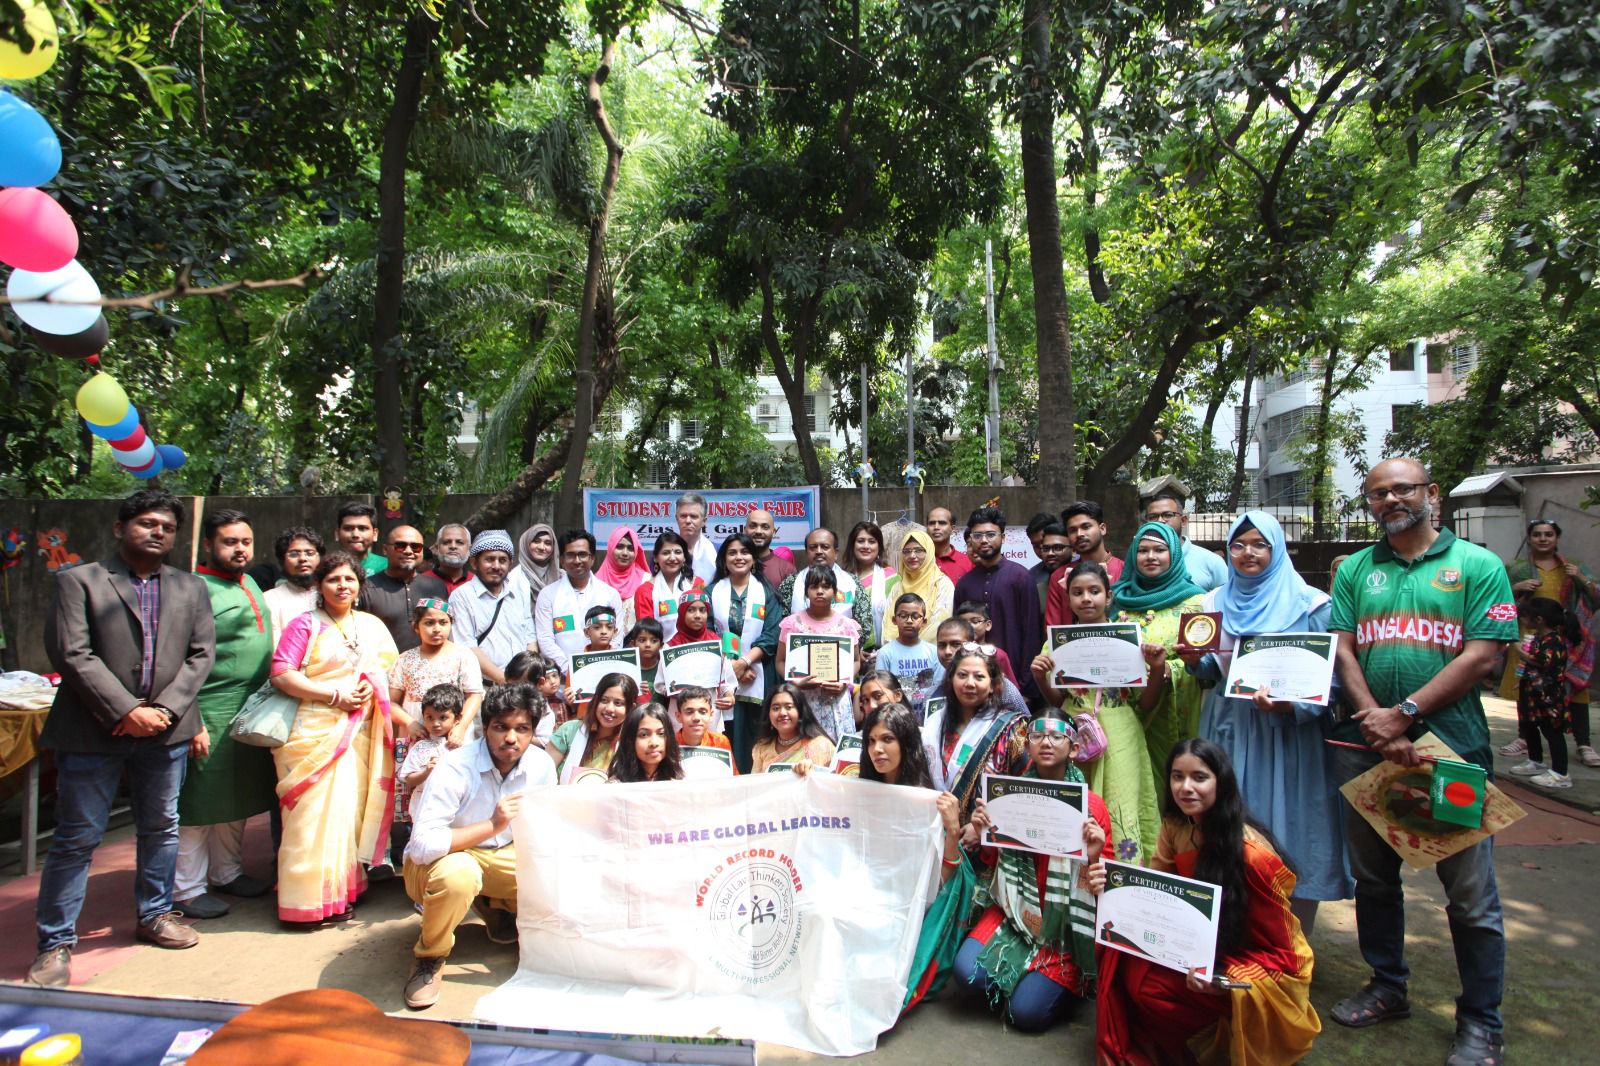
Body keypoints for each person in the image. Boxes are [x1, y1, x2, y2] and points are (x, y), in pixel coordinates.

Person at [1325, 457, 1516, 1066]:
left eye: (1401, 489)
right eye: (1378, 493)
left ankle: (1482, 1021)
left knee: (1469, 896)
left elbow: (1482, 656)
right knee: (1375, 880)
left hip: (1451, 756)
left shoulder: (1478, 566)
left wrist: (1403, 713)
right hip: (1366, 753)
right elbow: (1343, 650)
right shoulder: (1356, 569)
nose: (1390, 500)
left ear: (1431, 493)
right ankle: (1388, 986)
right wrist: (1377, 723)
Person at [29, 490, 215, 988]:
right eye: (147, 523)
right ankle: (56, 942)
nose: (158, 532)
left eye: (167, 527)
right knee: (77, 837)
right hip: (93, 730)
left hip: (166, 730)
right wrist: (126, 710)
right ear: (120, 528)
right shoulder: (79, 581)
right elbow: (72, 652)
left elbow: (201, 656)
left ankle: (155, 914)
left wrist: (164, 710)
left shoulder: (190, 587)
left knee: (161, 827)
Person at [1095, 738, 1320, 1065]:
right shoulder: (1176, 827)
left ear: (1221, 782)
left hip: (1248, 964)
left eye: (1199, 777)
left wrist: (1220, 978)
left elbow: (1286, 956)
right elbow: (1155, 898)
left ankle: (1214, 1043)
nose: (1185, 788)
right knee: (1123, 958)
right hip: (1194, 945)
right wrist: (1100, 879)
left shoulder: (1252, 857)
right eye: (1176, 776)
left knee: (1151, 991)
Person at [1180, 512, 1353, 927]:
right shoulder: (1213, 603)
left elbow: (1333, 680)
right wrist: (1194, 662)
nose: (1247, 553)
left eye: (1259, 544)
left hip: (1288, 740)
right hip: (1229, 729)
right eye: (1238, 545)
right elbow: (1211, 667)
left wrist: (1292, 705)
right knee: (1229, 828)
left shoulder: (1311, 605)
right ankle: (1233, 936)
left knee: (1289, 830)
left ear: (1276, 550)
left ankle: (1293, 944)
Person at [401, 683, 554, 1009]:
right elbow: (423, 846)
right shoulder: (454, 766)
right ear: (485, 728)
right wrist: (492, 825)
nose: (511, 738)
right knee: (460, 875)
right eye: (501, 727)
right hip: (439, 863)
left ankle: (500, 907)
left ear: (532, 732)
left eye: (522, 729)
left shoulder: (540, 765)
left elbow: (546, 828)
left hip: (500, 855)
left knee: (557, 869)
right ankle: (430, 957)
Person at [958, 711, 1111, 1032]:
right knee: (966, 971)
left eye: (1057, 737)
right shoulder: (1007, 796)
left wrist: (1095, 857)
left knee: (1026, 1015)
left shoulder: (1092, 807)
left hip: (1063, 927)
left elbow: (1102, 885)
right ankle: (1026, 976)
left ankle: (1057, 984)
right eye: (1038, 736)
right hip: (1014, 910)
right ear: (1027, 745)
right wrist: (982, 828)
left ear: (1073, 747)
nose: (1046, 743)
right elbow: (991, 860)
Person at [268, 551, 399, 925]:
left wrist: (366, 691)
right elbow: (281, 674)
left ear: (359, 585)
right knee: (309, 819)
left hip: (357, 731)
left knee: (345, 818)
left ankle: (340, 894)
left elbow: (389, 672)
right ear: (319, 586)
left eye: (349, 579)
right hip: (312, 732)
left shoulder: (371, 626)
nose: (342, 586)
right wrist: (334, 695)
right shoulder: (304, 624)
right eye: (333, 580)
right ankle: (303, 902)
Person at [174, 509, 276, 921]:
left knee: (234, 798)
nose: (239, 549)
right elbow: (177, 660)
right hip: (207, 709)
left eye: (245, 542)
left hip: (248, 709)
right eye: (230, 542)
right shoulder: (193, 589)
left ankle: (227, 872)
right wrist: (192, 718)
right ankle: (187, 888)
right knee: (198, 803)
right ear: (208, 545)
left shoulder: (249, 581)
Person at [1031, 560, 1163, 866]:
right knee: (1073, 801)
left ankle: (1120, 872)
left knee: (1121, 802)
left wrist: (1156, 669)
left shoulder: (1131, 639)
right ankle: (1068, 874)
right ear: (1068, 598)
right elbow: (1058, 697)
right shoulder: (1058, 643)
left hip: (1121, 734)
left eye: (1094, 591)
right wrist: (1040, 677)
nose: (1086, 599)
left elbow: (1146, 704)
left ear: (1109, 595)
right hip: (1072, 731)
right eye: (1077, 592)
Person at [1111, 521, 1207, 781]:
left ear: (1173, 554)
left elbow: (1208, 666)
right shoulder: (1118, 599)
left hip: (1174, 712)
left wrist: (1168, 668)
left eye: (1159, 550)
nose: (1150, 557)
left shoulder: (1197, 603)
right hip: (1126, 714)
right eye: (1142, 551)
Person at [1499, 518, 1599, 767]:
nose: (1543, 539)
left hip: (1568, 638)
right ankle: (1525, 739)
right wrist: (1516, 587)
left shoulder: (1572, 567)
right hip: (1528, 636)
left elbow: (1596, 596)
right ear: (1530, 538)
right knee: (1527, 688)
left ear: (1556, 538)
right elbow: (1494, 599)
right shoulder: (1518, 568)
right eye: (1537, 534)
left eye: (1549, 534)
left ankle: (1583, 743)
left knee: (1576, 689)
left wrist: (1581, 580)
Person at [922, 644, 1030, 824]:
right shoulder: (935, 723)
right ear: (951, 679)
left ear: (993, 685)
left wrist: (982, 825)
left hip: (986, 834)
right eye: (962, 675)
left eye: (979, 677)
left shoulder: (1011, 729)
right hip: (935, 828)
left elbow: (1025, 788)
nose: (969, 683)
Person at [709, 532, 783, 773]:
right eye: (732, 552)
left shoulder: (767, 593)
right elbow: (707, 632)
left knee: (757, 733)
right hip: (719, 674)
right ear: (724, 559)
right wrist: (732, 668)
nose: (739, 557)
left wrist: (745, 662)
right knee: (726, 732)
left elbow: (772, 634)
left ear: (753, 558)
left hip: (760, 674)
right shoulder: (710, 592)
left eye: (744, 552)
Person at [954, 507, 1044, 700]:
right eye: (977, 535)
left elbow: (1031, 634)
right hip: (973, 685)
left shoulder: (1021, 577)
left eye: (990, 534)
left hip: (1016, 684)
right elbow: (958, 634)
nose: (984, 540)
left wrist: (1026, 686)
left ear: (1003, 538)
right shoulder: (964, 583)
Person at [776, 565, 863, 741]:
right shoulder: (792, 624)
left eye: (826, 587)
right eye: (814, 587)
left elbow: (855, 661)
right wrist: (796, 682)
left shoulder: (847, 625)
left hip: (837, 700)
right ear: (806, 592)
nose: (820, 592)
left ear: (835, 591)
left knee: (836, 753)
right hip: (803, 700)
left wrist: (844, 682)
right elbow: (780, 661)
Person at [1507, 597, 1582, 788]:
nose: (1523, 621)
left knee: (1552, 732)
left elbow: (1540, 661)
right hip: (1532, 694)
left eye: (1525, 617)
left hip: (1548, 697)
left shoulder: (1554, 641)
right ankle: (1535, 761)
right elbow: (1532, 667)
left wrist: (1515, 646)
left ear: (1539, 619)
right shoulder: (1539, 639)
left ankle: (1561, 773)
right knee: (1530, 726)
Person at [389, 600, 485, 748]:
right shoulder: (405, 659)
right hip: (415, 733)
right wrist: (409, 723)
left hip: (453, 735)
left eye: (443, 622)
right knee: (414, 770)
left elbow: (474, 696)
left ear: (451, 624)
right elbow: (391, 702)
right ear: (416, 626)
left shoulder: (464, 656)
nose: (437, 629)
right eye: (429, 623)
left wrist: (461, 726)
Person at [449, 530, 538, 685]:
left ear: (510, 564)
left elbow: (529, 637)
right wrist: (506, 681)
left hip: (522, 686)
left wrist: (527, 675)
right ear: (474, 563)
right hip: (484, 688)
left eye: (502, 560)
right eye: (489, 559)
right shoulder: (461, 596)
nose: (496, 566)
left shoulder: (518, 591)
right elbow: (467, 647)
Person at [773, 528, 875, 642]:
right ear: (807, 552)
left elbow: (864, 622)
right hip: (800, 652)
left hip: (842, 653)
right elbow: (779, 621)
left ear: (836, 553)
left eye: (825, 547)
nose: (819, 551)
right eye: (813, 547)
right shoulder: (792, 582)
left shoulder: (852, 581)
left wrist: (852, 649)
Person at [363, 525, 449, 652]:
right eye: (400, 546)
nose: (409, 551)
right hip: (383, 669)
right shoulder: (367, 588)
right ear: (385, 549)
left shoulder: (437, 586)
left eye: (416, 547)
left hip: (431, 668)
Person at [548, 672, 637, 783]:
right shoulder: (569, 731)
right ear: (595, 700)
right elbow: (543, 775)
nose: (609, 708)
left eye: (618, 703)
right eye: (604, 700)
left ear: (630, 708)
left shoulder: (631, 743)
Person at [1045, 500, 1122, 626]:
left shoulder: (1125, 571)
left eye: (1086, 527)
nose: (1079, 534)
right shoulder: (1059, 576)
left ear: (1102, 528)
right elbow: (1053, 629)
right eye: (1072, 530)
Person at [397, 683, 465, 826]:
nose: (435, 723)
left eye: (443, 718)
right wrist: (426, 771)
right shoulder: (421, 747)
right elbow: (409, 779)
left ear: (457, 718)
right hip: (424, 809)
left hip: (456, 809)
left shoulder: (463, 748)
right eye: (430, 717)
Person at [935, 617, 1029, 718]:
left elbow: (1025, 724)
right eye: (942, 645)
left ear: (972, 645)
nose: (948, 651)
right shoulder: (934, 692)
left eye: (956, 644)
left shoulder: (1001, 687)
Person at [1144, 490, 1227, 591]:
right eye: (1153, 517)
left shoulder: (1212, 562)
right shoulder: (1141, 561)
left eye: (1168, 515)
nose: (1160, 521)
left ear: (1183, 521)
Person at [876, 593, 944, 718]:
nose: (909, 621)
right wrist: (922, 681)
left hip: (928, 716)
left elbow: (938, 687)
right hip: (896, 716)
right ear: (894, 620)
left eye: (915, 616)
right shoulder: (886, 653)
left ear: (924, 622)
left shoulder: (934, 652)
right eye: (903, 616)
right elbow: (882, 687)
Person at [883, 529, 954, 642]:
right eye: (906, 551)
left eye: (919, 551)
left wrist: (912, 648)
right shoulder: (897, 587)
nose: (912, 556)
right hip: (895, 652)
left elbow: (939, 624)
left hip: (929, 654)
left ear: (929, 552)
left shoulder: (942, 584)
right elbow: (887, 622)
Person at [750, 683, 837, 772]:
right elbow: (754, 784)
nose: (782, 713)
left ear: (800, 712)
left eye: (789, 707)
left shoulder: (820, 745)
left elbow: (836, 780)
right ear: (768, 714)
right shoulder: (762, 748)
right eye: (776, 708)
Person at [264, 526, 323, 644]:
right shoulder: (270, 600)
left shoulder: (331, 594)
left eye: (309, 553)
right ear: (282, 561)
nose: (302, 559)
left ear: (319, 557)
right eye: (294, 554)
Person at [635, 531, 696, 643]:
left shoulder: (696, 585)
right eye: (666, 553)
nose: (672, 558)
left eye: (678, 552)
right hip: (658, 653)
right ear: (655, 558)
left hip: (693, 650)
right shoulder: (644, 591)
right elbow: (646, 632)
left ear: (684, 557)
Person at [843, 521, 896, 648]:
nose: (866, 546)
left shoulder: (891, 577)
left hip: (884, 650)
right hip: (849, 651)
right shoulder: (842, 579)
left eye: (872, 541)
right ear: (852, 545)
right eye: (861, 541)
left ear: (879, 547)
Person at [609, 703, 684, 783]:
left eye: (661, 734)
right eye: (644, 735)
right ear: (630, 740)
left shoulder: (678, 784)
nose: (654, 743)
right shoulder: (615, 787)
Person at [594, 525, 652, 628]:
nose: (625, 553)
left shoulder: (646, 581)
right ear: (611, 547)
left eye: (630, 548)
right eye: (619, 547)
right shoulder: (594, 583)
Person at [955, 601, 1023, 688]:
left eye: (975, 621)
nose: (969, 626)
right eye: (963, 623)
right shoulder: (957, 652)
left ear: (988, 625)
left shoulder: (998, 655)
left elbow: (1012, 689)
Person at [675, 685, 734, 760]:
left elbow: (730, 771)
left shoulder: (720, 742)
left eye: (702, 712)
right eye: (689, 712)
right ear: (678, 716)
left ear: (711, 715)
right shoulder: (669, 744)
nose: (696, 718)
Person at [745, 507, 797, 589]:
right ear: (745, 530)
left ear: (773, 532)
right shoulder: (735, 565)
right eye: (753, 526)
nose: (758, 531)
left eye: (765, 527)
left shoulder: (786, 569)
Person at [511, 524, 561, 606]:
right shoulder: (514, 579)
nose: (542, 547)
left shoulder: (562, 577)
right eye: (536, 541)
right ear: (526, 544)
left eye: (547, 543)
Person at [676, 492, 719, 585]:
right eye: (683, 516)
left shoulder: (718, 551)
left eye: (693, 516)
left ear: (704, 521)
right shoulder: (664, 551)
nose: (688, 521)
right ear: (676, 519)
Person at [1030, 521, 1072, 613]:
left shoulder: (1084, 584)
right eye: (1046, 549)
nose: (1050, 553)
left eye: (1058, 548)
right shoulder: (1036, 590)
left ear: (1073, 549)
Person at [334, 501, 386, 576]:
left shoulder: (387, 567)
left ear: (375, 534)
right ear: (337, 533)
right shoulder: (325, 568)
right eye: (348, 528)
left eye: (362, 528)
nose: (355, 534)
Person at [926, 506, 973, 584]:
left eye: (942, 523)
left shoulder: (968, 562)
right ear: (927, 528)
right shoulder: (917, 560)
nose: (936, 527)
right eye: (931, 523)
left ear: (952, 529)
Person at [623, 618, 666, 705]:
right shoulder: (626, 670)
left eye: (654, 641)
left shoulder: (665, 669)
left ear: (661, 646)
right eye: (642, 640)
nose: (648, 645)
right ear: (633, 644)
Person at [430, 523, 474, 594]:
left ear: (469, 549)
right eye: (446, 542)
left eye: (459, 542)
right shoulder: (419, 582)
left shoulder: (477, 583)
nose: (453, 546)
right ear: (436, 548)